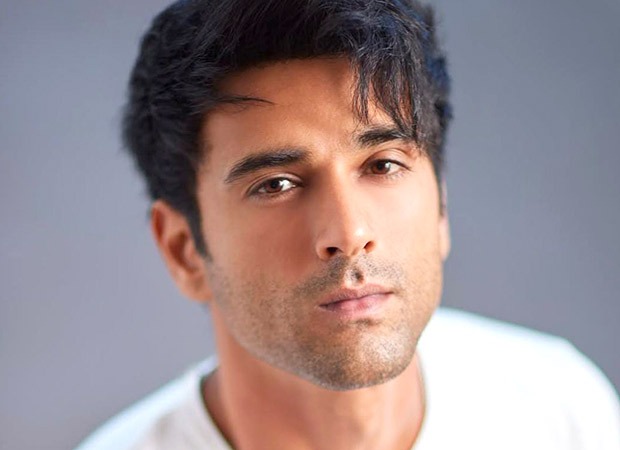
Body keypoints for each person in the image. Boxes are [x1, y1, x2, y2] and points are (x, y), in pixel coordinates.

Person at [77, 0, 620, 448]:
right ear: (184, 251)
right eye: (276, 184)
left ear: (441, 207)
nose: (349, 231)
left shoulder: (561, 411)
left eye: (383, 165)